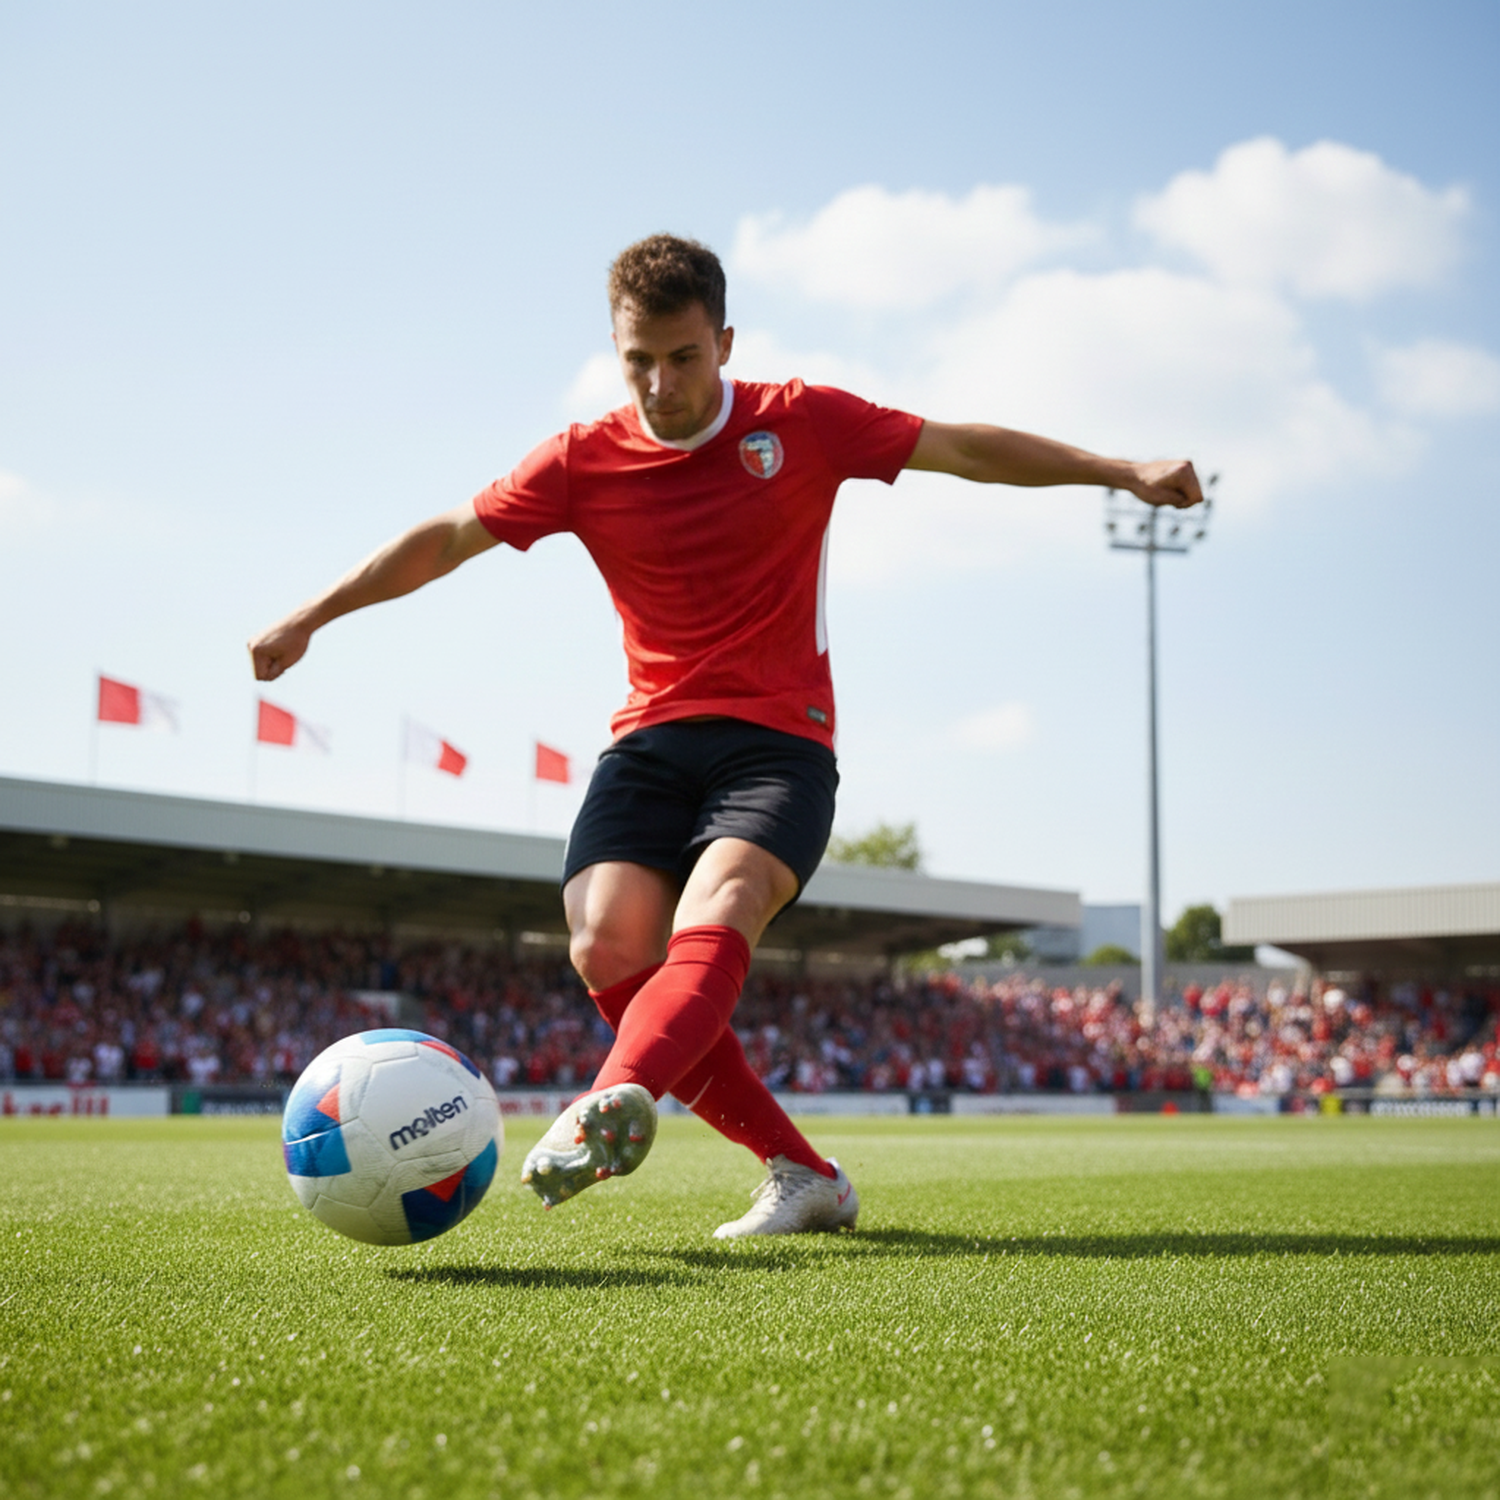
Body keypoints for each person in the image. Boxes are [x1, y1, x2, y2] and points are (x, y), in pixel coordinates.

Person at [249, 234, 1202, 1238]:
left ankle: (610, 1097)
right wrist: (313, 614)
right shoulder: (582, 460)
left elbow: (962, 448)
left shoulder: (803, 423)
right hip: (651, 744)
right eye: (638, 362)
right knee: (606, 941)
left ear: (725, 342)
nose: (661, 383)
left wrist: (1122, 469)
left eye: (683, 357)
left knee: (728, 897)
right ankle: (803, 1173)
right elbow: (448, 536)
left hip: (777, 741)